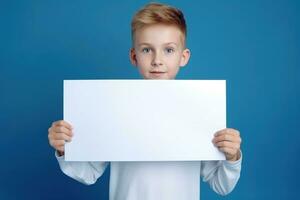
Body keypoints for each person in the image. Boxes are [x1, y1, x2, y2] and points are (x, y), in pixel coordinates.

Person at [48, 3, 242, 200]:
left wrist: (232, 156)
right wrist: (65, 148)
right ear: (134, 56)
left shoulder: (199, 110)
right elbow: (89, 174)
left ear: (183, 57)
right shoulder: (115, 108)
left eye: (168, 50)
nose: (157, 60)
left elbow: (221, 185)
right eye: (147, 50)